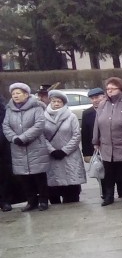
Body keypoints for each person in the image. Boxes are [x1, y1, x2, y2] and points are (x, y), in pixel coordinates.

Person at [92, 77, 122, 206]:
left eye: (112, 88)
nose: (109, 91)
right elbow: (97, 124)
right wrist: (95, 141)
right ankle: (108, 196)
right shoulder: (102, 104)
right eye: (107, 89)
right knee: (108, 174)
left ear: (120, 89)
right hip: (106, 146)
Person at [3, 83, 49, 211]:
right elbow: (6, 126)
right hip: (17, 147)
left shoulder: (36, 107)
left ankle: (43, 201)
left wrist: (23, 137)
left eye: (18, 93)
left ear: (26, 94)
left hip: (35, 146)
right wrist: (14, 138)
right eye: (13, 94)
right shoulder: (9, 109)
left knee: (39, 175)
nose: (15, 96)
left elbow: (39, 125)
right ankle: (31, 201)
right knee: (24, 177)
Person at [43, 90, 86, 204]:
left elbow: (76, 135)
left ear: (64, 103)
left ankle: (72, 199)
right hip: (51, 157)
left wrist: (64, 151)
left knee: (71, 188)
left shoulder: (71, 116)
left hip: (70, 156)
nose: (56, 104)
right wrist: (51, 150)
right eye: (53, 101)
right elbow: (42, 137)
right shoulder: (43, 117)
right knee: (53, 186)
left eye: (59, 101)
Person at [80, 88, 104, 163]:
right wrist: (86, 154)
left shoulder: (111, 110)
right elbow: (85, 135)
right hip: (95, 150)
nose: (94, 100)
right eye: (92, 98)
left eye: (97, 97)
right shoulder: (87, 113)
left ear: (104, 96)